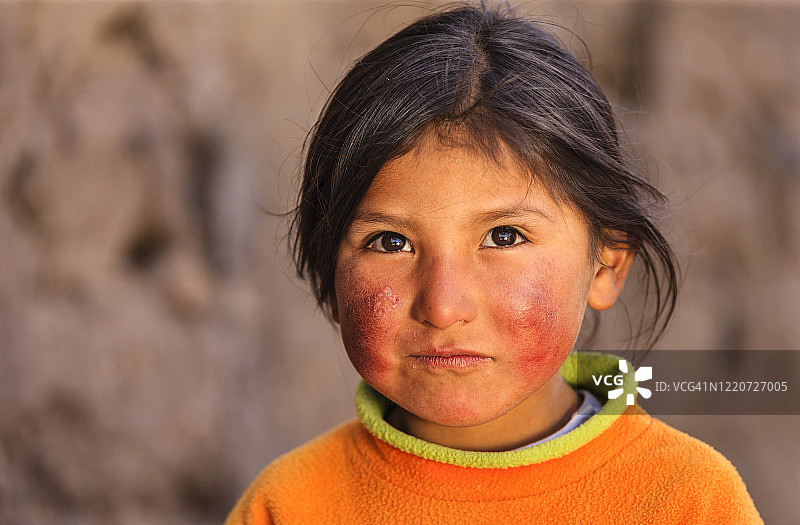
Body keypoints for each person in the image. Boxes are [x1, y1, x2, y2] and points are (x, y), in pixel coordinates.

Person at [226, 4, 762, 523]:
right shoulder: (291, 506)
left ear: (606, 266)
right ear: (332, 276)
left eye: (503, 236)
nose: (441, 305)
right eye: (390, 243)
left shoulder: (689, 501)